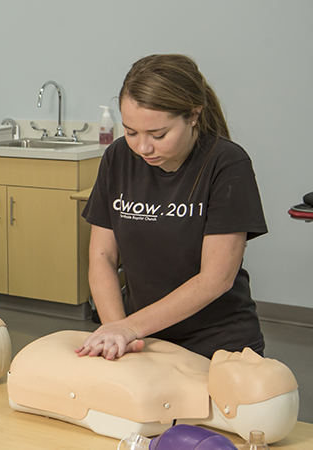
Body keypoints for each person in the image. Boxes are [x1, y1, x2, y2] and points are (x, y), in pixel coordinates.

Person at [76, 54, 267, 361]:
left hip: (217, 343)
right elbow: (102, 256)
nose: (142, 148)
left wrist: (129, 328)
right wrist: (116, 330)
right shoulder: (118, 157)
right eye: (131, 131)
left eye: (159, 135)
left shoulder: (227, 164)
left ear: (193, 115)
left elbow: (215, 278)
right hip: (143, 341)